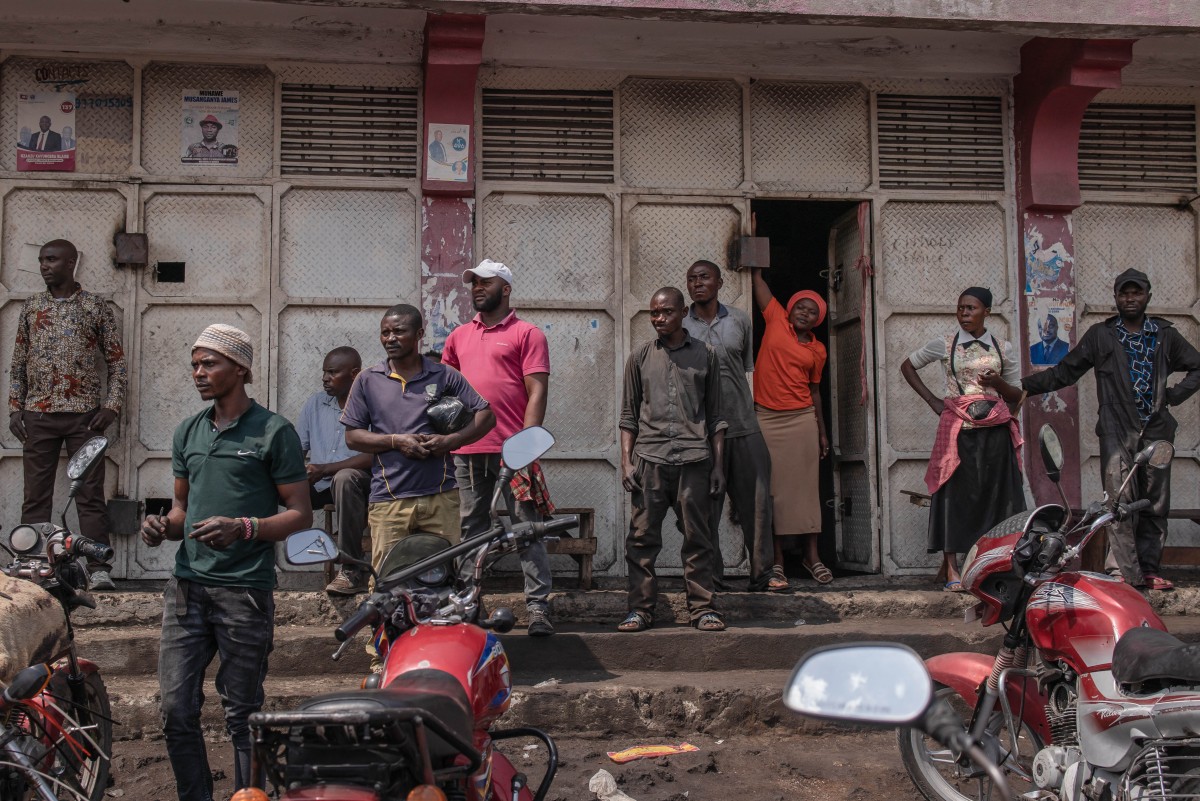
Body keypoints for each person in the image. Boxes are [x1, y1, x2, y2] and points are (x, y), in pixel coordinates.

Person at [140, 324, 312, 801]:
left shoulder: (274, 431)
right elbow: (181, 511)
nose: (198, 372)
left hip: (245, 593)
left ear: (241, 369)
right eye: (194, 363)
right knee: (176, 710)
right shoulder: (188, 432)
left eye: (209, 363)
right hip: (187, 588)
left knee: (241, 713)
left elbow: (300, 513)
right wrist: (162, 527)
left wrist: (245, 527)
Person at [985, 269, 1200, 590]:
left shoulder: (1164, 334)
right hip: (1116, 433)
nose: (1130, 299)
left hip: (1157, 433)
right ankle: (1126, 574)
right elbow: (1065, 373)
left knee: (1155, 503)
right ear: (1115, 298)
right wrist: (1020, 388)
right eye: (1124, 293)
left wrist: (1173, 395)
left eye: (1136, 293)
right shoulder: (1102, 335)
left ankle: (1150, 570)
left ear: (1148, 297)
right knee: (1120, 502)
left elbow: (1197, 366)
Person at [441, 259, 557, 637]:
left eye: (484, 283)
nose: (476, 288)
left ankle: (538, 608)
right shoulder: (458, 337)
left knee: (527, 528)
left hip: (513, 450)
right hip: (468, 451)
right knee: (472, 528)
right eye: (473, 282)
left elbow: (537, 390)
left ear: (505, 289)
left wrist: (528, 444)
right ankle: (470, 603)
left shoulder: (527, 333)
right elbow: (446, 393)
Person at [341, 304, 494, 577]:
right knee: (387, 584)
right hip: (389, 501)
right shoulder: (368, 380)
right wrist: (396, 441)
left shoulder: (444, 375)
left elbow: (486, 415)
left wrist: (451, 441)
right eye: (385, 332)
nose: (390, 338)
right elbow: (352, 436)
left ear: (419, 333)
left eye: (399, 332)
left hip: (441, 498)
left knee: (445, 582)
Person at [9, 239, 126, 591]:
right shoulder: (31, 308)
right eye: (42, 260)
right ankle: (33, 564)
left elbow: (116, 363)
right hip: (38, 415)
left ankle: (98, 566)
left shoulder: (94, 307)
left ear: (71, 262)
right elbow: (17, 365)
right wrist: (16, 408)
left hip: (84, 416)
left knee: (90, 492)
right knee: (36, 495)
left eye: (52, 259)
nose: (45, 265)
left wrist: (111, 407)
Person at [901, 287, 1025, 591]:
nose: (964, 314)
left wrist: (996, 383)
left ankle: (994, 564)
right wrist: (933, 401)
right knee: (953, 496)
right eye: (961, 309)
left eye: (971, 309)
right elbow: (907, 365)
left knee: (996, 497)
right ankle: (952, 569)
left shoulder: (1002, 348)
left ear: (987, 312)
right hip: (958, 430)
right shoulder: (944, 345)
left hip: (995, 433)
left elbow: (1018, 395)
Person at [619, 287, 727, 633]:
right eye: (654, 313)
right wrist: (626, 462)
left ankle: (702, 609)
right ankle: (640, 610)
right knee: (641, 540)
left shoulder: (706, 355)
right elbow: (627, 416)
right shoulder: (639, 357)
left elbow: (717, 417)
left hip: (695, 461)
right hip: (649, 460)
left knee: (698, 538)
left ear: (683, 312)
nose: (659, 319)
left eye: (665, 312)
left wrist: (718, 466)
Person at [682, 260, 780, 592]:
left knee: (757, 503)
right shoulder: (681, 325)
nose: (698, 284)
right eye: (692, 279)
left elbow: (746, 368)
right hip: (700, 431)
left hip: (742, 424)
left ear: (720, 282)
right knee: (704, 507)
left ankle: (763, 574)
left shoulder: (740, 320)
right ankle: (710, 577)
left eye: (704, 278)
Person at [750, 268, 831, 587]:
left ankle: (812, 557)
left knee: (807, 492)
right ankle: (778, 560)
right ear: (791, 308)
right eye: (801, 307)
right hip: (766, 418)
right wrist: (752, 244)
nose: (805, 314)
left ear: (817, 320)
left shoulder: (818, 350)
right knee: (776, 492)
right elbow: (757, 282)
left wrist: (822, 431)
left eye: (812, 312)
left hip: (802, 420)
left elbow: (815, 392)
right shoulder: (775, 319)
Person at [295, 346, 372, 595]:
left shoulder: (372, 404)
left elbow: (374, 455)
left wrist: (326, 468)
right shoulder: (316, 404)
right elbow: (298, 448)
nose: (325, 378)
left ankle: (352, 569)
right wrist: (294, 472)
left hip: (359, 485)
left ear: (354, 374)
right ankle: (258, 564)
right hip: (320, 484)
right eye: (324, 372)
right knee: (267, 481)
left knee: (345, 478)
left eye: (332, 372)